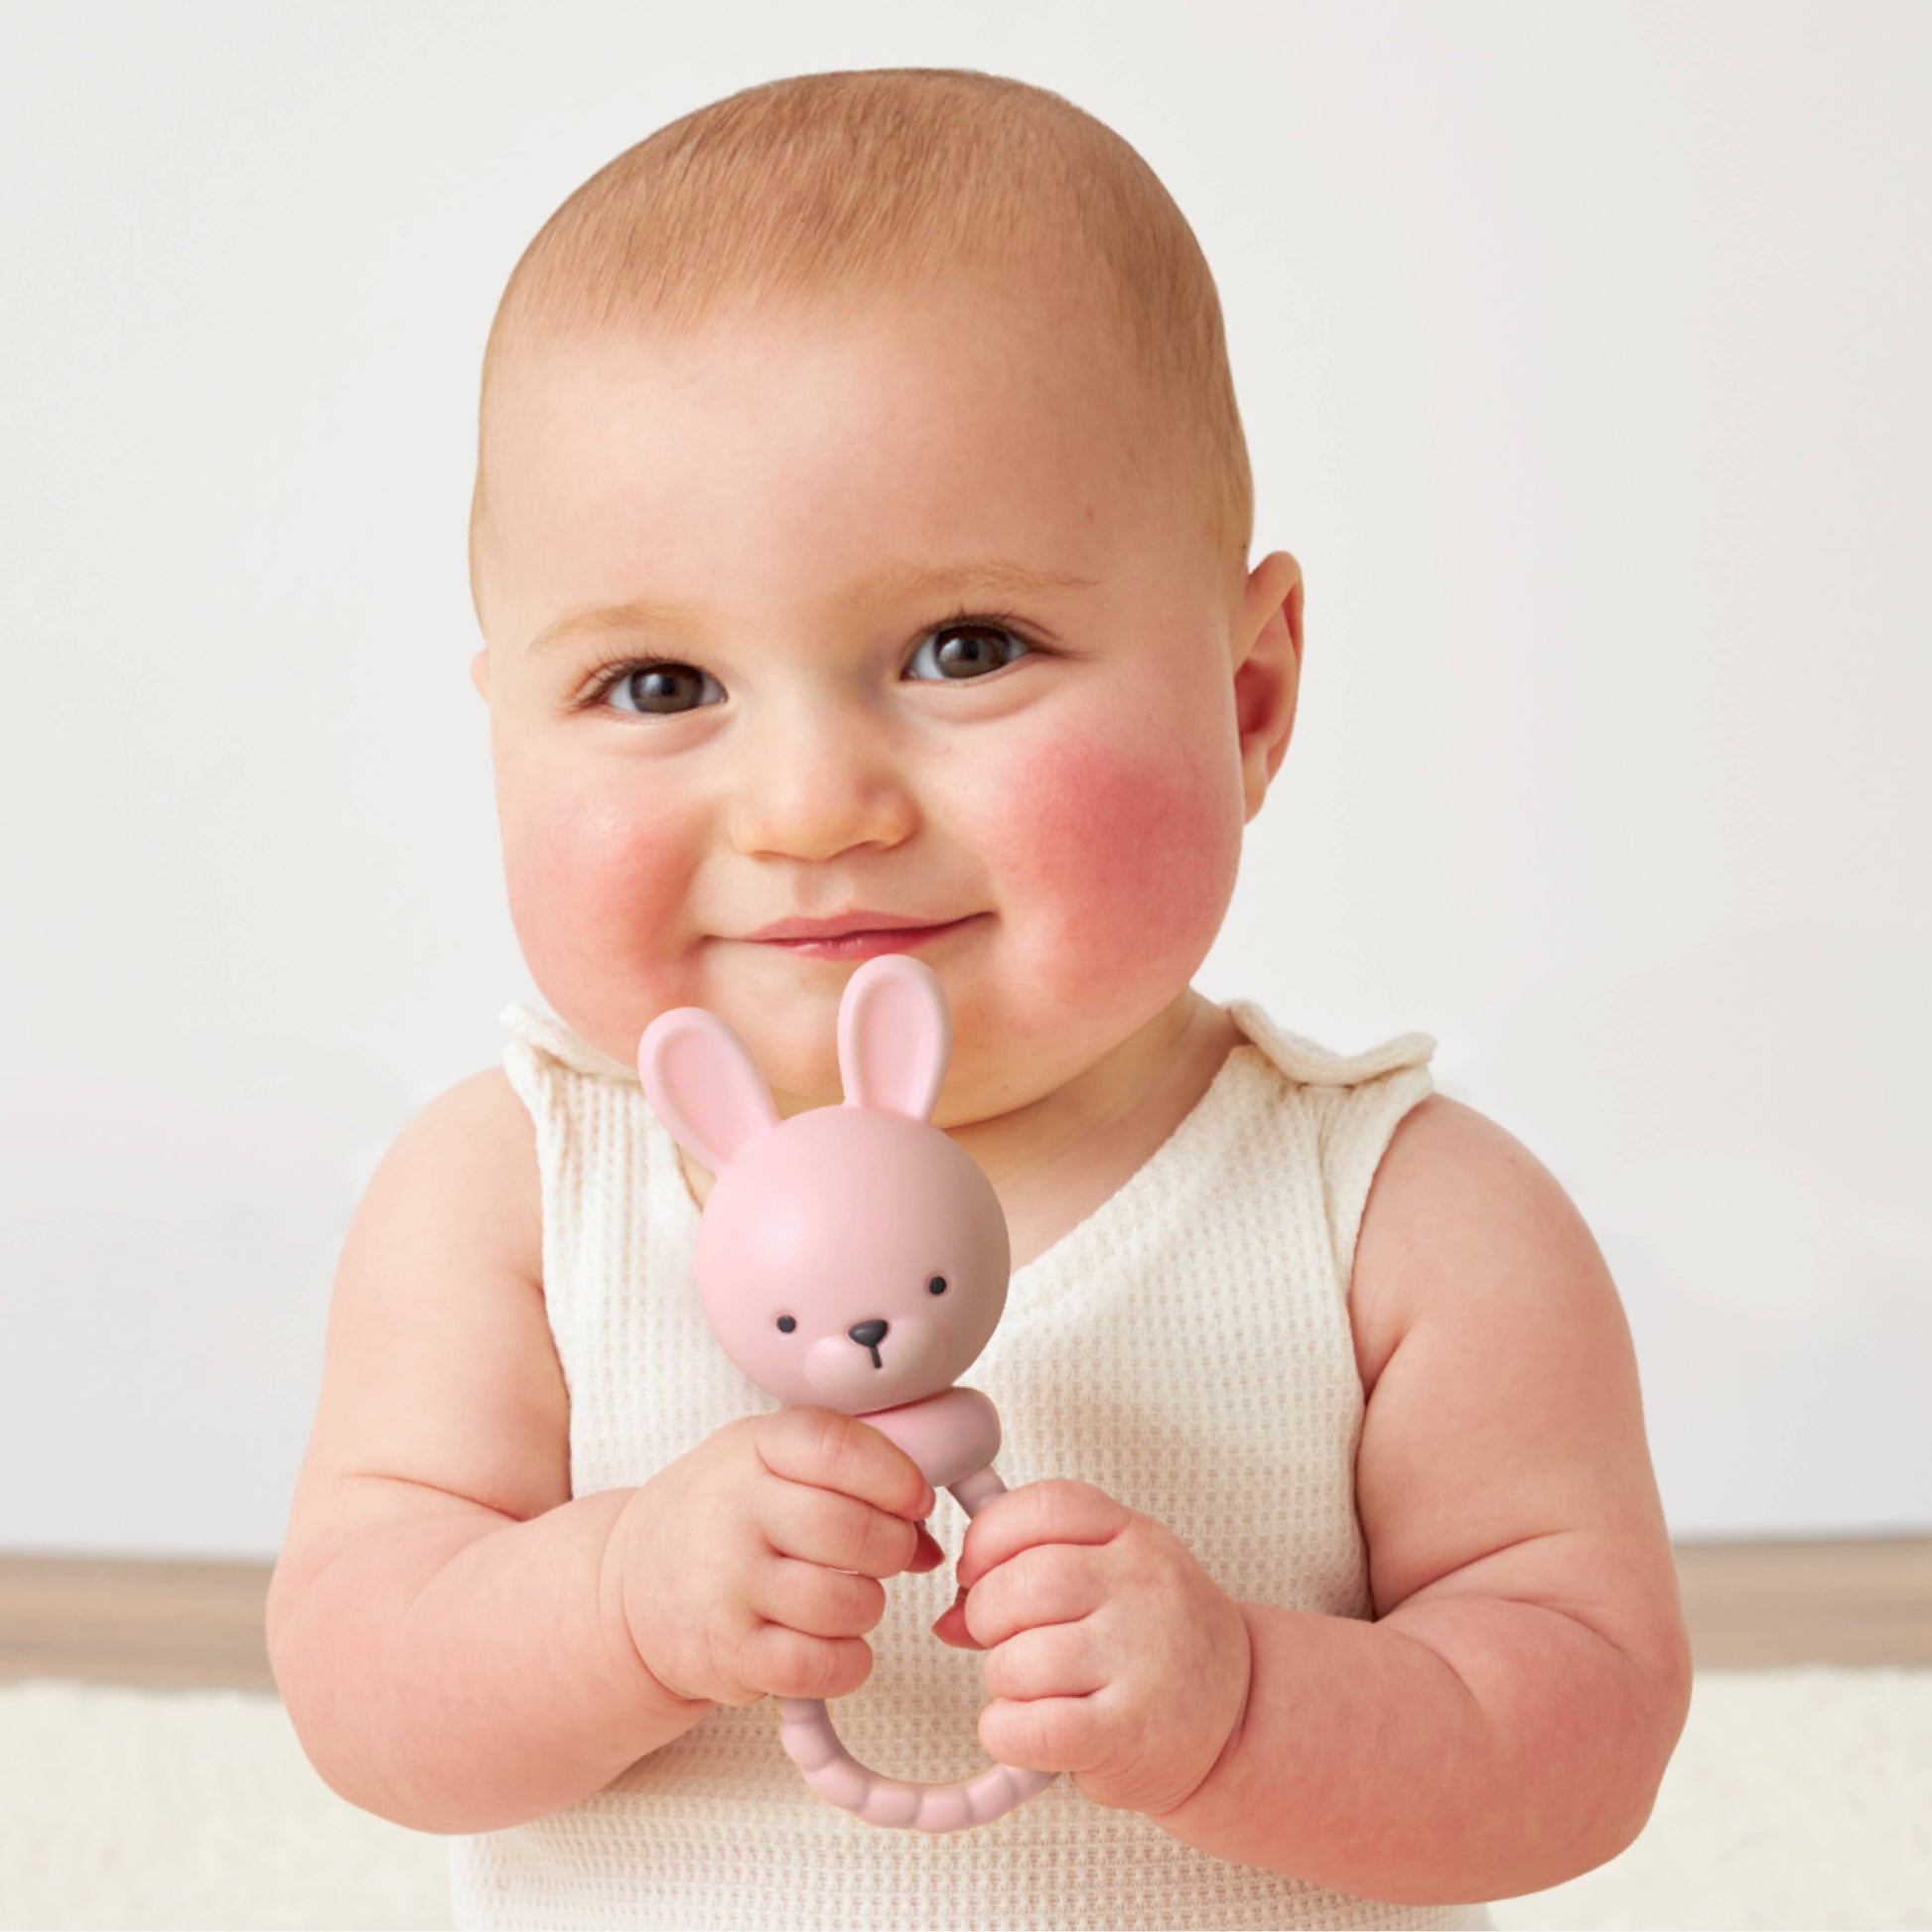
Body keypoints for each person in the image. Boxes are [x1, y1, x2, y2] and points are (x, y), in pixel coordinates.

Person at [266, 67, 1691, 1931]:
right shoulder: (516, 1199)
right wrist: (615, 1596)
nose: (807, 807)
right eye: (655, 682)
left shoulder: (1403, 1220)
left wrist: (1246, 1702)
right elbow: (365, 1683)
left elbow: (1577, 1739)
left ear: (1247, 698)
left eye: (964, 648)